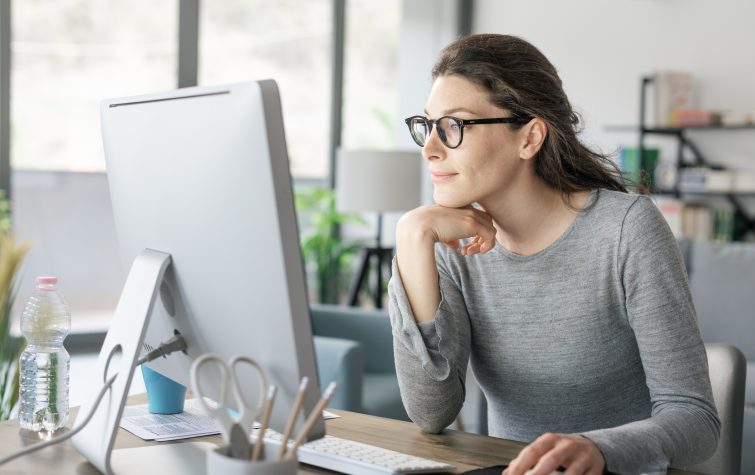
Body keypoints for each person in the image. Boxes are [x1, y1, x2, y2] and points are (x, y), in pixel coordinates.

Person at [388, 34, 720, 475]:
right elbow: (431, 413)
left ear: (529, 138)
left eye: (454, 126)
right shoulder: (450, 244)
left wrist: (596, 449)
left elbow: (695, 419)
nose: (430, 147)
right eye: (427, 125)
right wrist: (412, 238)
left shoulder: (626, 230)